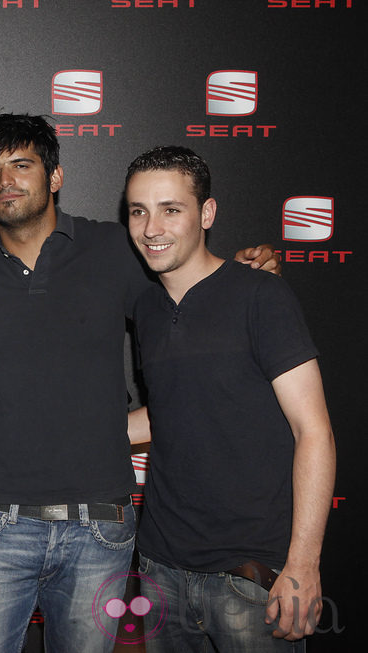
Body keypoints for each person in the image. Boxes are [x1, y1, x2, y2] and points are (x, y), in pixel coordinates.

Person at [0, 113, 279, 652]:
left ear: (55, 177)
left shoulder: (116, 247)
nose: (5, 179)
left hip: (101, 527)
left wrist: (243, 274)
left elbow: (192, 296)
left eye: (22, 164)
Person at [124, 146, 335, 651]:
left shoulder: (261, 295)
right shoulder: (147, 308)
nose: (151, 227)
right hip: (160, 571)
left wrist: (303, 563)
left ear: (207, 213)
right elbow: (173, 411)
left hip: (250, 578)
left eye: (171, 209)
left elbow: (314, 431)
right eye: (138, 211)